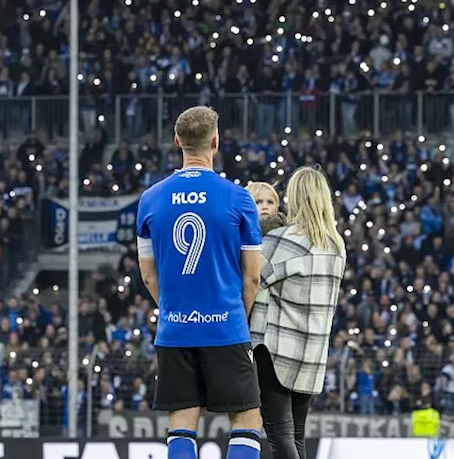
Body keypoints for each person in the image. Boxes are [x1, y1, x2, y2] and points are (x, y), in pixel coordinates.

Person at [137, 106, 265, 459]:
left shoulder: (150, 199)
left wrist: (175, 310)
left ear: (177, 141)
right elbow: (251, 276)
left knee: (182, 419)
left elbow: (148, 275)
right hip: (226, 327)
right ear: (215, 142)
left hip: (175, 329)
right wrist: (238, 316)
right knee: (246, 417)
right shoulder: (238, 198)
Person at [248, 167, 346, 459]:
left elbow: (250, 279)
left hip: (278, 352)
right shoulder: (336, 245)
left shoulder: (284, 241)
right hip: (313, 353)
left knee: (279, 434)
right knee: (297, 435)